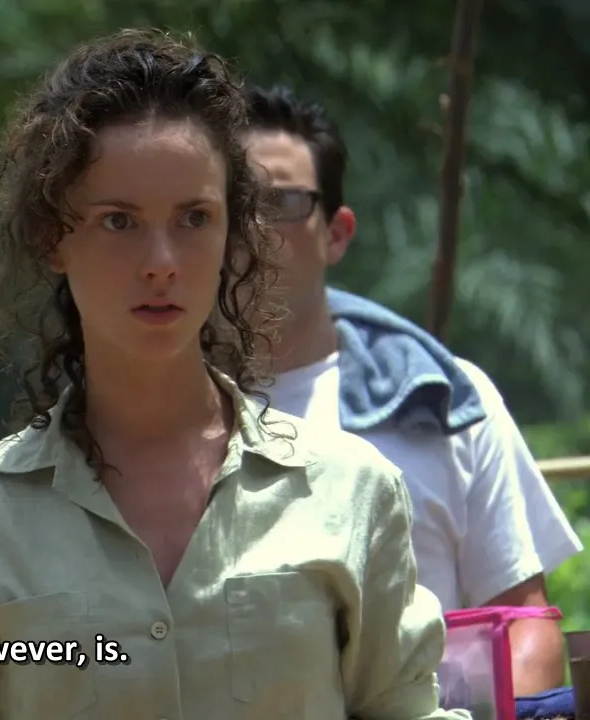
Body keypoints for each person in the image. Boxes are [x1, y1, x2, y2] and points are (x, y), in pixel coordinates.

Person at [0, 29, 468, 719]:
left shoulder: (350, 493)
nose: (161, 262)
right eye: (119, 221)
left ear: (232, 233)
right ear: (52, 237)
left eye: (193, 218)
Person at [241, 82, 579, 695]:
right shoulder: (146, 414)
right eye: (228, 203)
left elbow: (524, 623)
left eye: (282, 202)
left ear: (337, 233)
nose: (254, 228)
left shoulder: (444, 402)